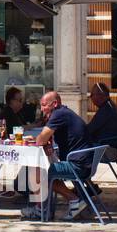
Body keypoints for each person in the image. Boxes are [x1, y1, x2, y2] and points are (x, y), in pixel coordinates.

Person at [34, 90, 89, 220]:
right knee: (45, 170)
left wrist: (43, 141)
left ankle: (72, 201)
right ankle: (42, 208)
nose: (42, 109)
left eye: (44, 105)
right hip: (83, 162)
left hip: (77, 165)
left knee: (41, 172)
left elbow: (40, 140)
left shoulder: (58, 114)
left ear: (55, 103)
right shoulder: (64, 112)